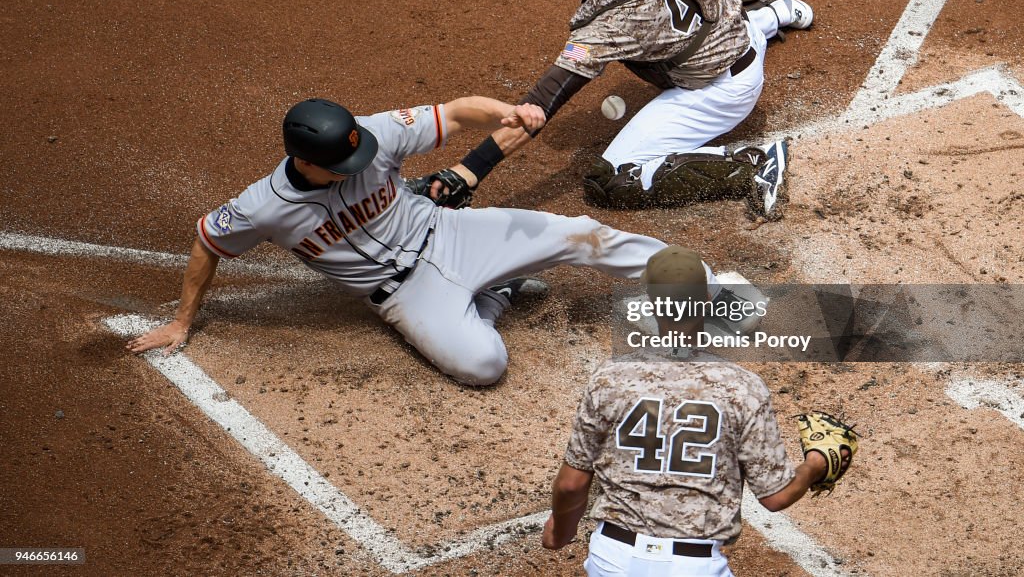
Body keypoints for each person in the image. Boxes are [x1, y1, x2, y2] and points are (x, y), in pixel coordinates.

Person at [125, 96, 733, 386]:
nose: (362, 158)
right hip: (403, 296)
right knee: (483, 366)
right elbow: (208, 241)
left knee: (581, 235)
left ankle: (716, 295)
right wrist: (182, 321)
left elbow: (456, 112)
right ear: (305, 162)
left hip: (450, 233)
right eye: (344, 161)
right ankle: (495, 294)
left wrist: (510, 112)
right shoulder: (263, 207)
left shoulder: (373, 135)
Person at [410, 0, 813, 217]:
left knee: (611, 179)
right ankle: (773, 10)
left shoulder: (613, 24)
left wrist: (467, 172)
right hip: (730, 21)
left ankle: (752, 164)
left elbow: (541, 103)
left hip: (720, 91)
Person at [541, 246, 843, 576]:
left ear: (652, 303)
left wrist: (560, 532)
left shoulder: (609, 378)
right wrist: (818, 463)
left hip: (613, 558)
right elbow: (776, 496)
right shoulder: (742, 387)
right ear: (708, 302)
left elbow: (571, 485)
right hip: (693, 566)